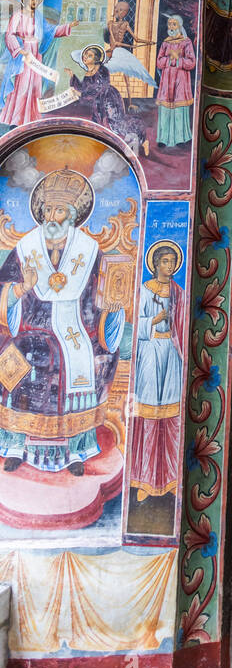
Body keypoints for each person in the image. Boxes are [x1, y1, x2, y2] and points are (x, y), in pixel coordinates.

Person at [0, 168, 125, 475]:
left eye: (59, 210)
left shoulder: (89, 250)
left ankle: (76, 451)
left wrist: (112, 306)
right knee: (16, 360)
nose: (51, 216)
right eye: (47, 209)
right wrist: (20, 289)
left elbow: (105, 293)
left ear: (72, 214)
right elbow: (3, 288)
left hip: (75, 328)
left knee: (84, 358)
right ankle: (16, 445)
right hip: (30, 328)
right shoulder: (25, 248)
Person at [129, 241, 184, 502]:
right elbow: (135, 326)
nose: (169, 266)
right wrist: (154, 320)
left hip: (171, 354)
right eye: (165, 261)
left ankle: (171, 478)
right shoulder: (144, 290)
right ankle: (146, 481)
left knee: (171, 417)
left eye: (173, 262)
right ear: (155, 264)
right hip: (151, 354)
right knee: (150, 417)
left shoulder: (179, 293)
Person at [0, 0, 76, 127]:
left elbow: (50, 32)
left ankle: (29, 118)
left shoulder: (39, 17)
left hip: (35, 55)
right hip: (23, 55)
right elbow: (9, 34)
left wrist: (67, 26)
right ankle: (16, 120)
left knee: (34, 88)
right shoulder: (18, 15)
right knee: (22, 87)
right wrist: (19, 50)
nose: (35, 2)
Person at [63, 46, 150, 157]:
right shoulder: (87, 73)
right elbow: (83, 88)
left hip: (109, 99)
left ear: (96, 59)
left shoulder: (102, 70)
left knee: (116, 124)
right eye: (85, 55)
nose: (85, 57)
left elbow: (99, 88)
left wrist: (82, 95)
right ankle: (105, 149)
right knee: (98, 126)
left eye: (89, 55)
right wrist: (72, 76)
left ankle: (143, 141)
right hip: (98, 104)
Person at [155, 15, 196, 147]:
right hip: (167, 80)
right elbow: (159, 61)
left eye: (174, 24)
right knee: (165, 109)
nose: (171, 27)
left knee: (179, 109)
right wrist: (169, 60)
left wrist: (178, 60)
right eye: (169, 24)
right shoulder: (166, 43)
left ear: (179, 26)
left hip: (181, 79)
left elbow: (191, 62)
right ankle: (163, 139)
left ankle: (181, 138)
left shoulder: (186, 42)